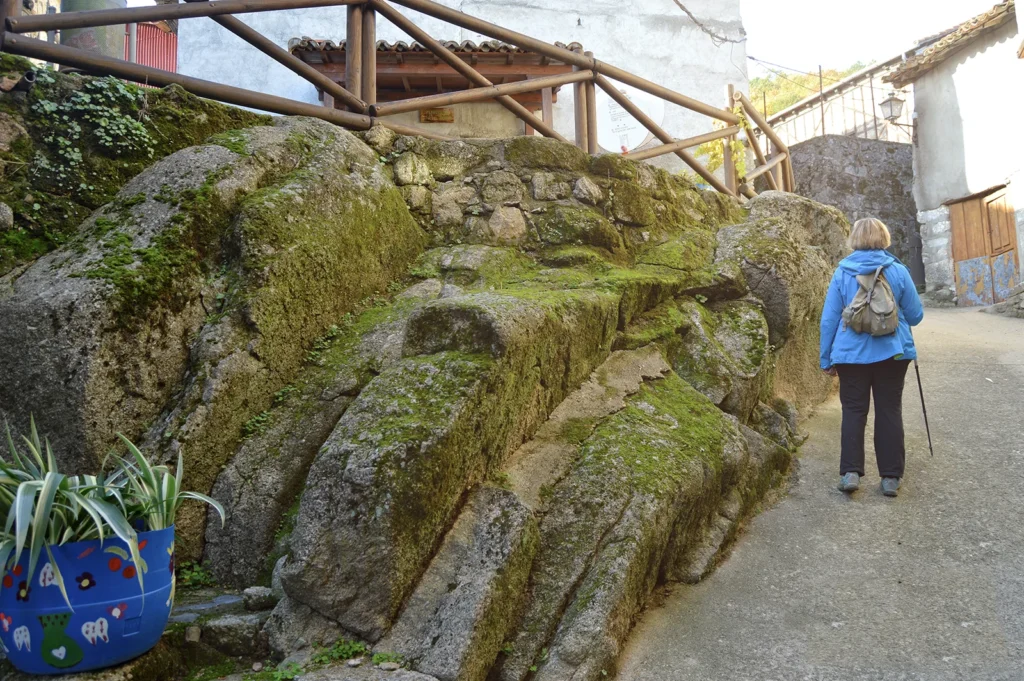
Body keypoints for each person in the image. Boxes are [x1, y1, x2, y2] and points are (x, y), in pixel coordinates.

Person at [820, 218, 924, 497]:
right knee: (889, 410)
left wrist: (825, 358)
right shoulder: (898, 271)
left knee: (854, 410)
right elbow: (916, 315)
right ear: (884, 238)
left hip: (850, 355)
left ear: (854, 239)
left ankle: (850, 473)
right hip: (893, 352)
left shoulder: (842, 272)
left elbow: (829, 319)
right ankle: (890, 478)